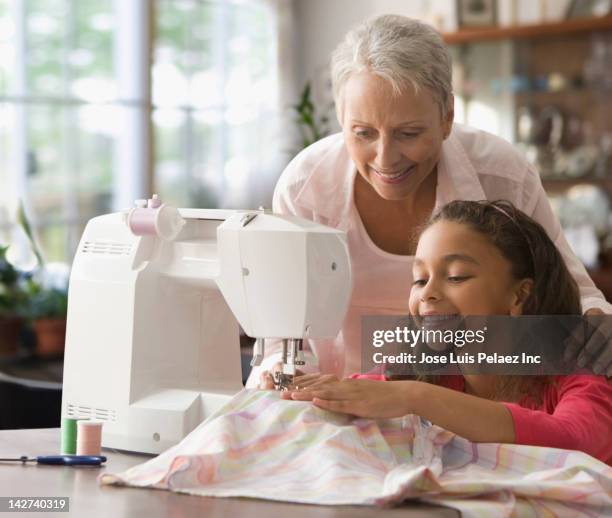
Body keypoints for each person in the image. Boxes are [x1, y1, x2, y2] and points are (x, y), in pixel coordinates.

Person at [248, 14, 612, 389]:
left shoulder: (502, 176)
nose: (385, 158)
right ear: (341, 120)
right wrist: (279, 373)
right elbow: (280, 334)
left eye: (409, 133)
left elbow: (572, 292)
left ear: (447, 116)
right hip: (347, 397)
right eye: (363, 133)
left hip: (480, 401)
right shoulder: (305, 190)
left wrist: (595, 321)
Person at [282, 200, 612, 464]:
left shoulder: (579, 374)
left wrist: (416, 398)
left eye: (455, 277)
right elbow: (357, 393)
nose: (427, 293)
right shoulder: (427, 373)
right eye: (419, 279)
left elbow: (572, 439)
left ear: (519, 295)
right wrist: (292, 388)